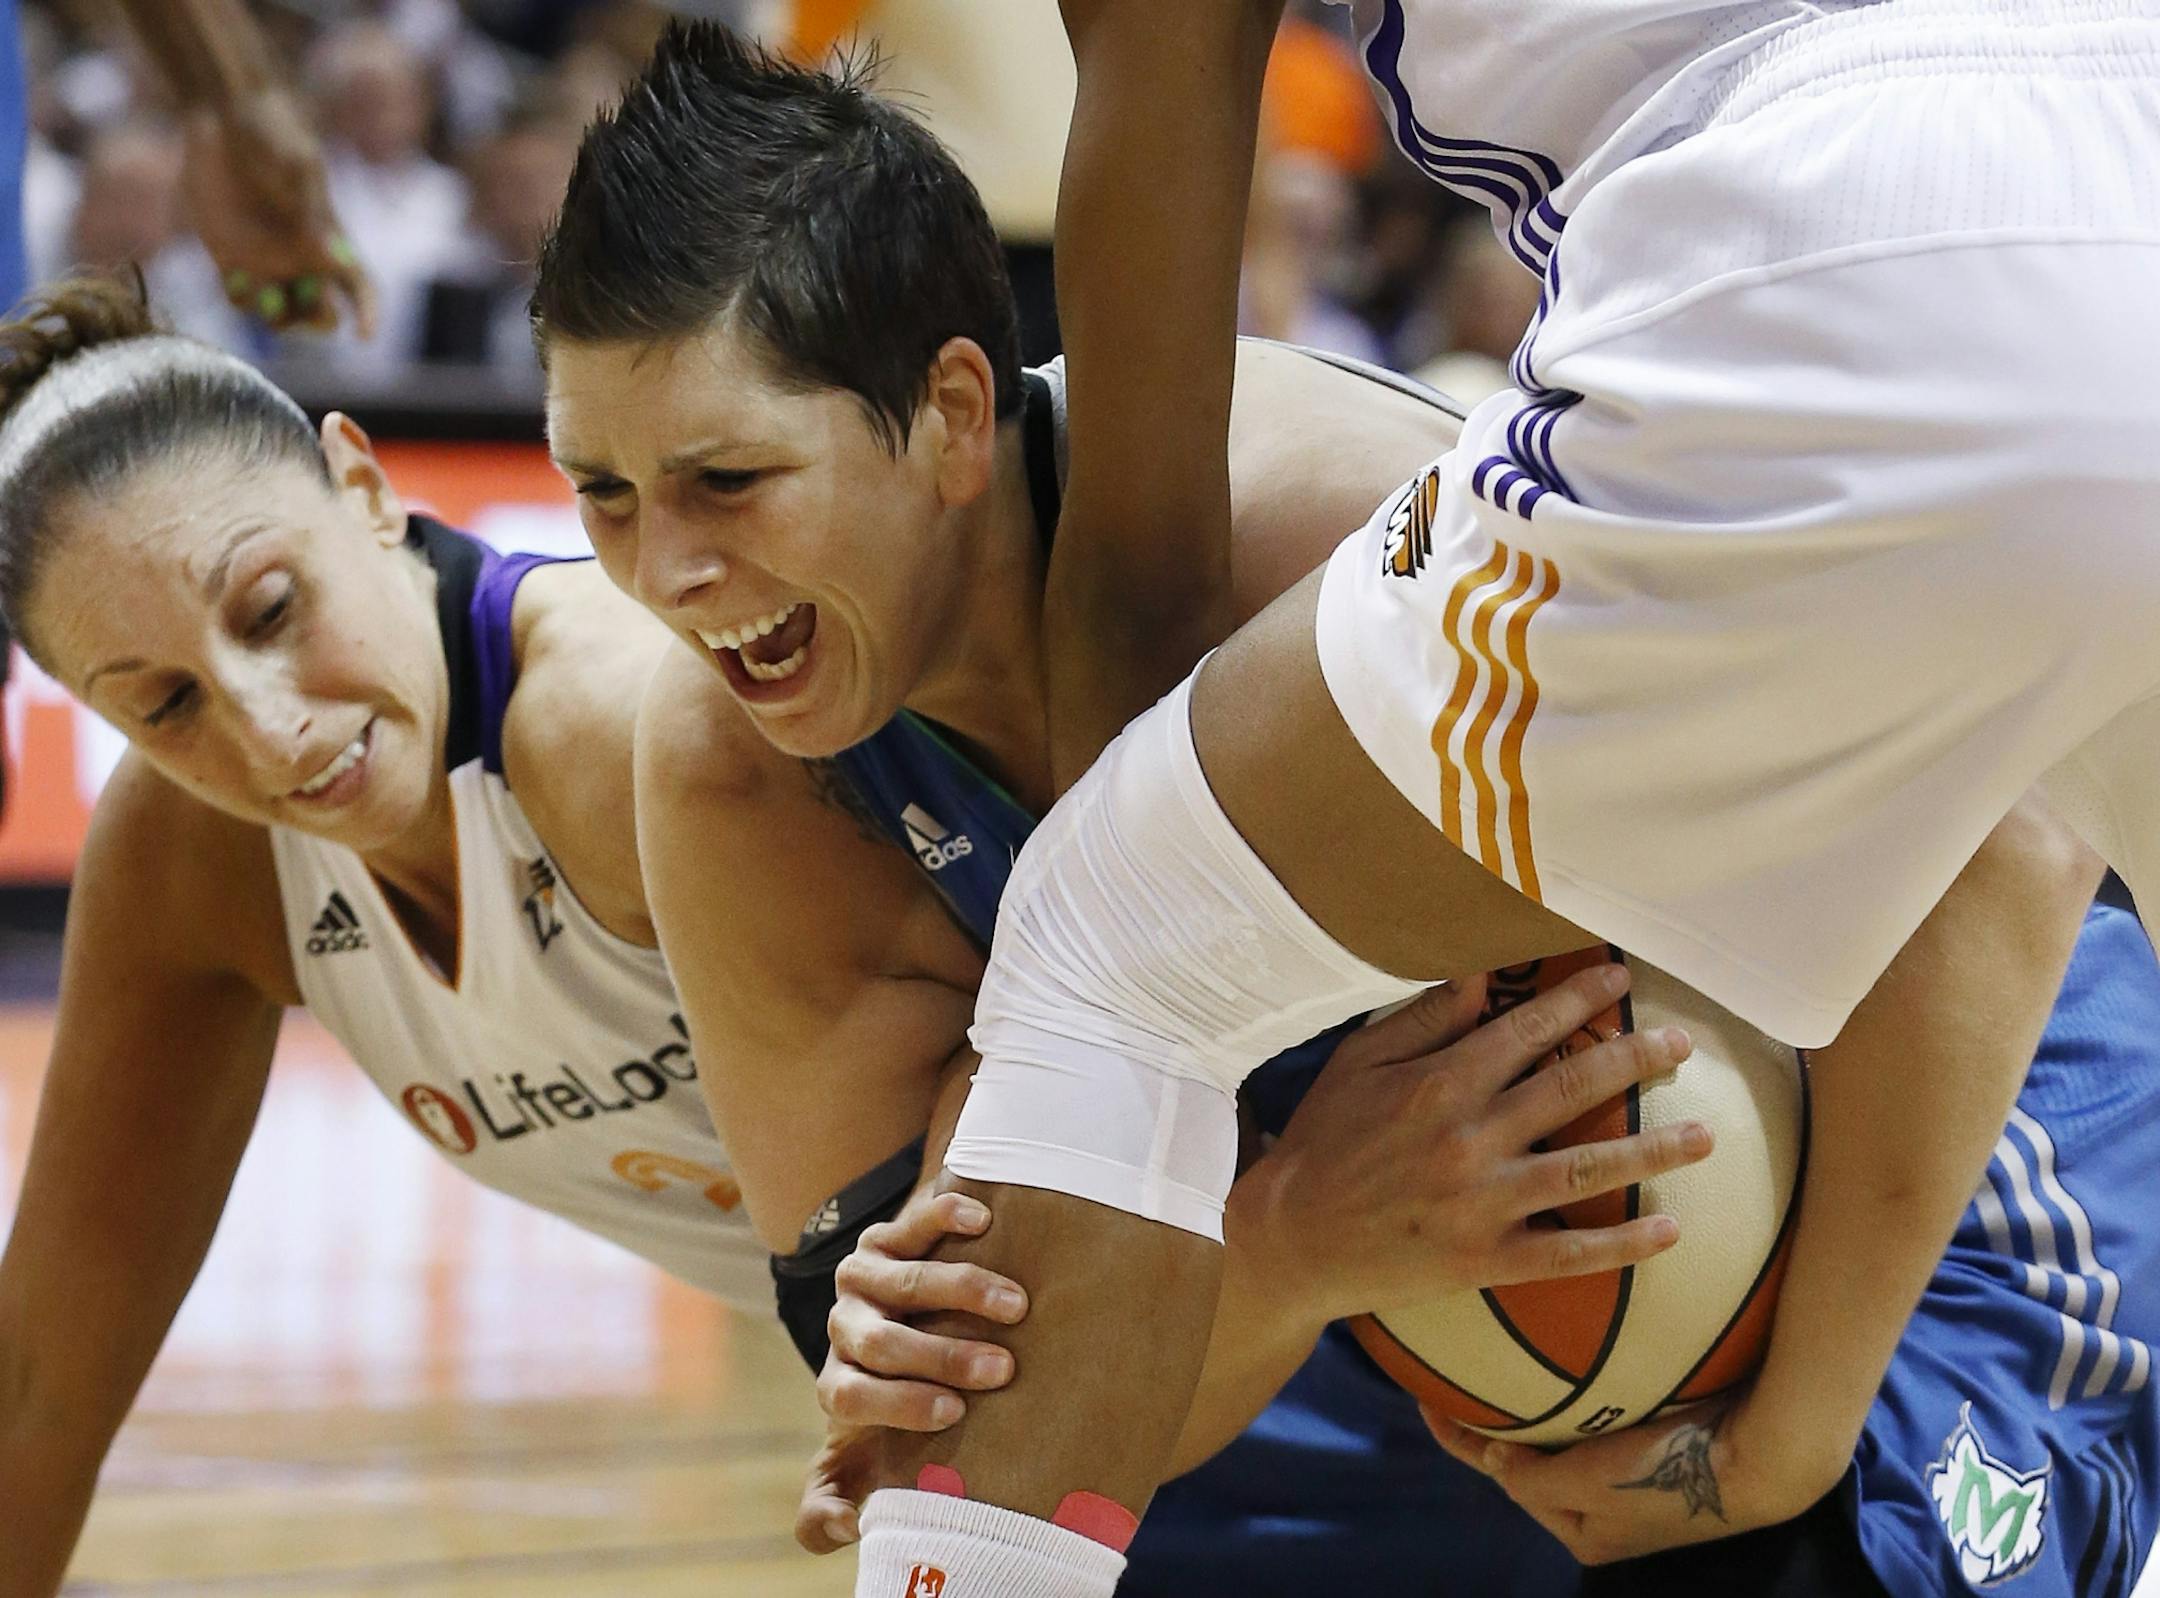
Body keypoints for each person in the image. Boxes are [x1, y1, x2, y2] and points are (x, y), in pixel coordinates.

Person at [530, 25, 2153, 1598]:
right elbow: (950, 1408)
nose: (668, 574)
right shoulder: (734, 781)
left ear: (954, 413)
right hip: (1459, 1356)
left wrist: (1792, 1434)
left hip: (1945, 1154)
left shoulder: (1308, 526)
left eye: (726, 482)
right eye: (602, 492)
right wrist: (1302, 1236)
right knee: (1029, 1447)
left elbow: (2007, 842)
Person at [0, 275, 933, 1597]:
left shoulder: (622, 734)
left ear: (363, 486)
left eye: (272, 609)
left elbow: (1040, 1090)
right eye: (161, 703)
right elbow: (39, 1385)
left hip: (1215, 1322)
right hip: (990, 1400)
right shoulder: (192, 856)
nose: (268, 731)